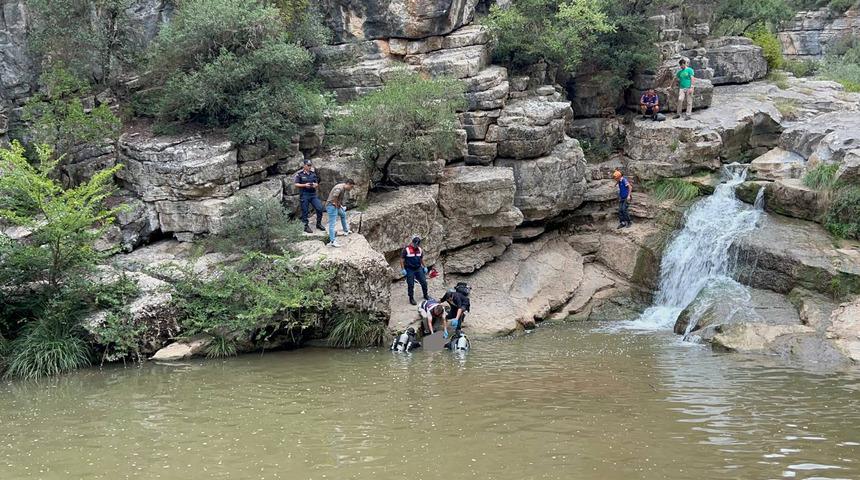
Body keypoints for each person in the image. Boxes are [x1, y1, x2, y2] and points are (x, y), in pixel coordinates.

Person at [294, 159, 325, 234]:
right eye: (308, 165)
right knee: (305, 210)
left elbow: (316, 183)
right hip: (304, 194)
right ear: (304, 166)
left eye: (310, 165)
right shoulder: (300, 174)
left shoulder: (313, 174)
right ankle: (305, 226)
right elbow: (296, 184)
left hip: (313, 194)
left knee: (320, 208)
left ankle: (318, 224)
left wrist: (315, 185)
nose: (310, 167)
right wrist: (305, 185)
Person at [325, 179, 355, 248]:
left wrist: (339, 205)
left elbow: (338, 198)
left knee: (343, 214)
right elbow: (335, 196)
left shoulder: (343, 188)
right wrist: (335, 204)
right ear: (348, 184)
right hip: (331, 206)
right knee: (332, 224)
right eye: (351, 187)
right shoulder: (339, 188)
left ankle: (346, 230)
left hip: (336, 205)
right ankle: (332, 241)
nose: (351, 189)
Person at [400, 235, 429, 306]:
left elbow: (421, 259)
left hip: (418, 268)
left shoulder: (420, 249)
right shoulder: (406, 249)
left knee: (424, 282)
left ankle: (425, 295)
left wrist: (425, 267)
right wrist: (403, 269)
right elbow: (401, 260)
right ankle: (411, 298)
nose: (416, 246)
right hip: (409, 269)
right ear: (412, 242)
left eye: (417, 244)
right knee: (411, 284)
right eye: (415, 244)